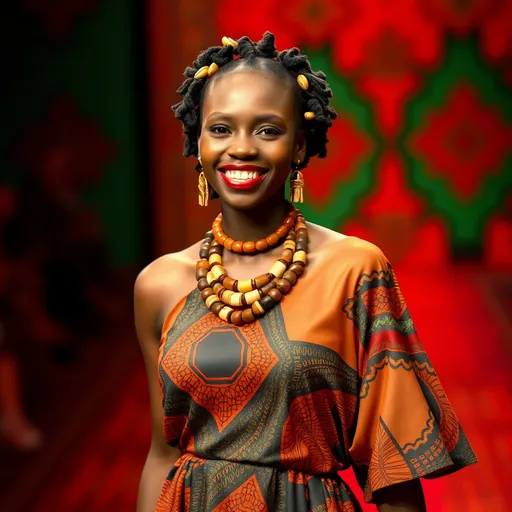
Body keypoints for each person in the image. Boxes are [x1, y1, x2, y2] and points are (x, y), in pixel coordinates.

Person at [135, 32, 477, 512]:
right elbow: (162, 453)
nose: (241, 148)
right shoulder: (159, 284)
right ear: (198, 141)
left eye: (267, 130)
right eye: (221, 129)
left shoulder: (354, 269)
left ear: (299, 146)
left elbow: (392, 463)